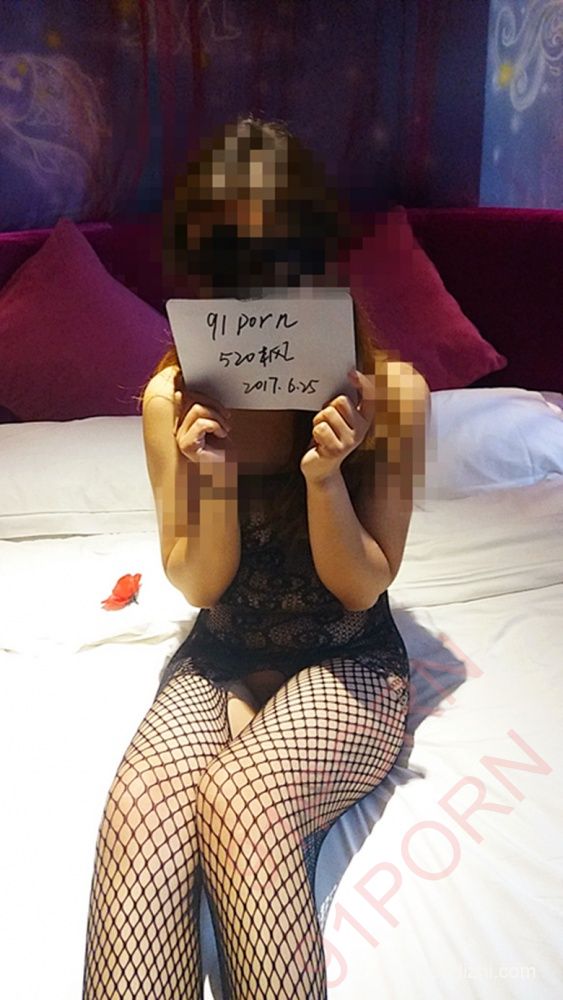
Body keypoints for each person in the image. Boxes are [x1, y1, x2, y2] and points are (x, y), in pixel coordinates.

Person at [81, 114, 429, 1000]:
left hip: (347, 654)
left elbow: (361, 587)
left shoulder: (391, 394)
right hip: (224, 646)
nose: (256, 283)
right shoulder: (172, 399)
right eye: (228, 259)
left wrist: (323, 477)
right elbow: (199, 584)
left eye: (280, 253)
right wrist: (215, 476)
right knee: (143, 806)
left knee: (245, 800)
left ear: (320, 254)